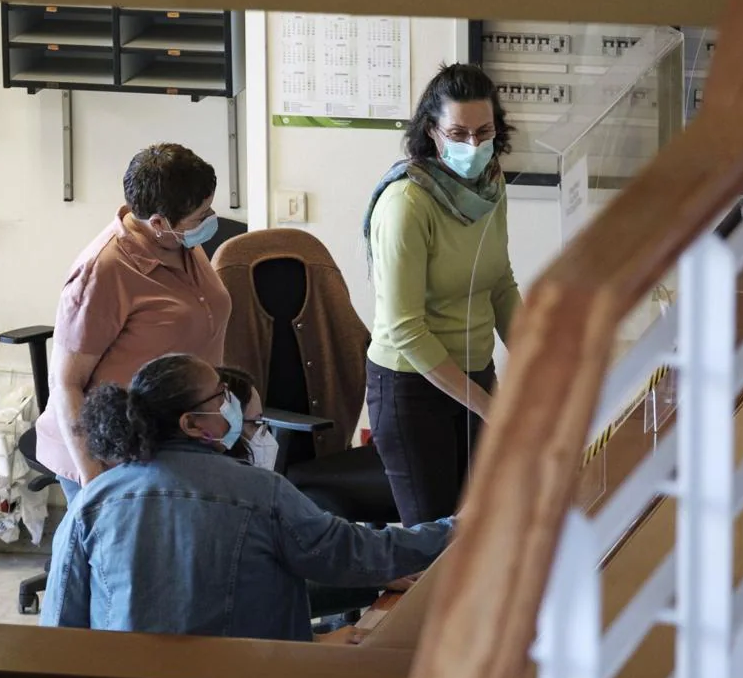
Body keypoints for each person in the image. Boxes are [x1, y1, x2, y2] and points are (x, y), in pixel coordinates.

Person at [39, 354, 453, 642]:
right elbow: (355, 552)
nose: (232, 402)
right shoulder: (261, 493)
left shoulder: (91, 504)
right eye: (221, 395)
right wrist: (458, 528)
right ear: (193, 424)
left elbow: (60, 628)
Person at [363, 63, 523, 526]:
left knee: (485, 527)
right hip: (413, 387)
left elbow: (500, 284)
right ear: (433, 133)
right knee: (435, 544)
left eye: (484, 131)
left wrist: (539, 367)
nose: (474, 145)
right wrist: (489, 405)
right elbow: (406, 330)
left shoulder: (492, 187)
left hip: (474, 374)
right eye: (459, 132)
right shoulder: (406, 204)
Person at [35, 143, 232, 504]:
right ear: (158, 223)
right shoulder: (104, 271)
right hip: (114, 457)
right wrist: (95, 482)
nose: (209, 222)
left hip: (170, 444)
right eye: (200, 217)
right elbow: (67, 382)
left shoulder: (179, 244)